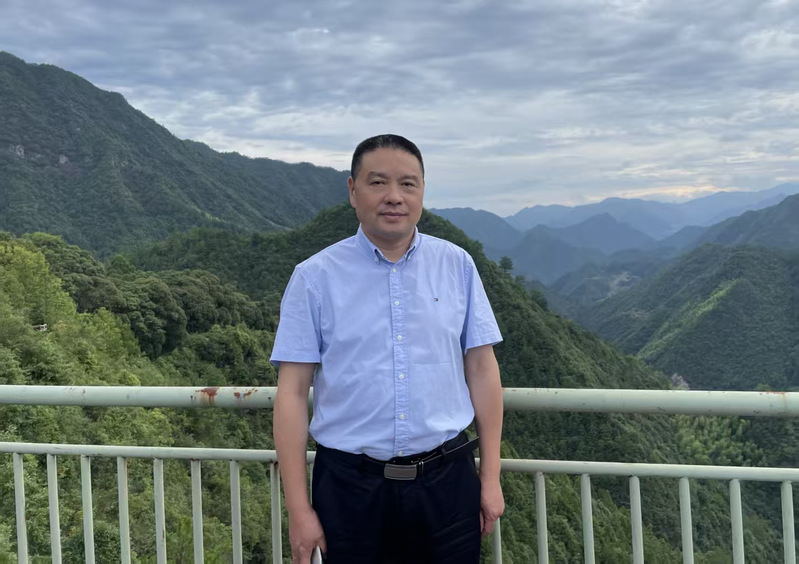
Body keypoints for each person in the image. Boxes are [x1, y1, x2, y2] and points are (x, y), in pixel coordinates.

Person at [271, 134, 505, 564]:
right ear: (352, 190)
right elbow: (292, 392)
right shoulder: (314, 277)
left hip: (448, 483)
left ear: (422, 191)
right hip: (348, 488)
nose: (394, 196)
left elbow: (482, 369)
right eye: (378, 182)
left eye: (408, 184)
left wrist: (490, 478)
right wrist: (299, 510)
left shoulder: (457, 265)